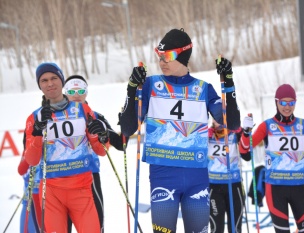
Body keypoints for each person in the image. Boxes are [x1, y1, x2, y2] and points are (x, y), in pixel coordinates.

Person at [119, 28, 241, 233]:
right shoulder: (151, 85)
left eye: (167, 56)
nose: (162, 61)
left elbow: (233, 123)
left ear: (182, 55)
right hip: (163, 177)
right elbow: (128, 127)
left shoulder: (203, 89)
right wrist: (132, 88)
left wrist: (228, 81)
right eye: (159, 56)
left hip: (197, 178)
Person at [23, 62, 109, 232]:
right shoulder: (34, 118)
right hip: (51, 192)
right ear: (39, 86)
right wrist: (39, 132)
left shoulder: (82, 109)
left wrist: (100, 135)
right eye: (44, 80)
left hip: (82, 188)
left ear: (62, 81)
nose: (50, 83)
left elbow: (101, 150)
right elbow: (32, 160)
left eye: (54, 78)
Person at [239, 84, 304, 233]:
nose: (287, 107)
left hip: (299, 187)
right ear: (276, 102)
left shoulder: (303, 125)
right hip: (276, 189)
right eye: (283, 103)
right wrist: (246, 133)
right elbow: (245, 153)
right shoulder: (267, 126)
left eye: (291, 102)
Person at [64, 74, 127, 233]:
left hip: (90, 177)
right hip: (61, 179)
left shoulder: (96, 116)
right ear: (65, 93)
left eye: (80, 91)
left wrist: (124, 126)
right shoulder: (56, 117)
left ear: (86, 92)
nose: (76, 95)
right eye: (72, 92)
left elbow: (121, 144)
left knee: (96, 226)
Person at [208, 119, 250, 233]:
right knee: (216, 228)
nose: (220, 122)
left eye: (223, 118)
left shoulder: (235, 133)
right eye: (217, 118)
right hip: (214, 187)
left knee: (235, 228)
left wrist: (245, 132)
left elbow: (247, 155)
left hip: (234, 186)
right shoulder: (207, 134)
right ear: (212, 120)